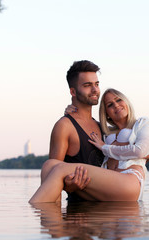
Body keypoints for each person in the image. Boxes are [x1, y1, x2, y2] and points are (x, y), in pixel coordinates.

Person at [29, 88, 149, 203]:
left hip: (129, 181)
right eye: (110, 105)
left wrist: (105, 147)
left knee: (60, 169)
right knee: (49, 165)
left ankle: (35, 210)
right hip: (107, 184)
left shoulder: (142, 124)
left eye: (119, 100)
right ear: (107, 114)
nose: (116, 105)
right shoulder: (105, 132)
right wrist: (71, 111)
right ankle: (53, 220)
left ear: (126, 102)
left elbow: (141, 151)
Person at [41, 60, 105, 202]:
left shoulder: (103, 127)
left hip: (110, 214)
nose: (95, 90)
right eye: (87, 85)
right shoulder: (64, 126)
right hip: (78, 214)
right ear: (73, 91)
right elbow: (51, 175)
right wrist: (69, 186)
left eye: (97, 84)